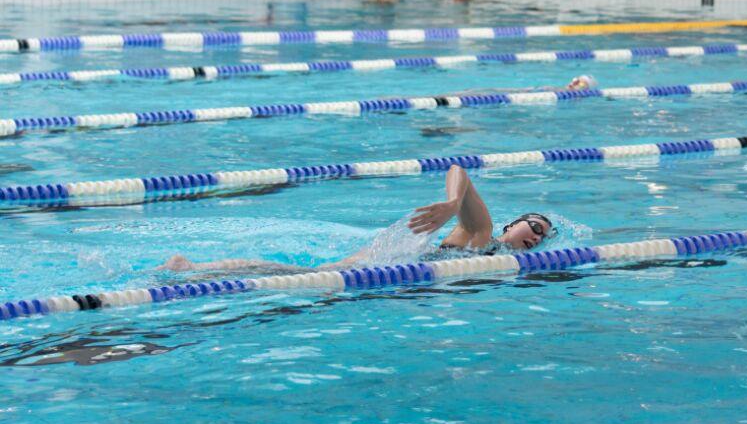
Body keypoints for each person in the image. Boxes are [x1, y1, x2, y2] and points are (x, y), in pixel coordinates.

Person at [159, 165, 554, 274]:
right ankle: (193, 268)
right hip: (392, 259)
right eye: (534, 225)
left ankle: (197, 269)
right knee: (291, 273)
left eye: (543, 237)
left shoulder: (495, 258)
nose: (537, 236)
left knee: (295, 275)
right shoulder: (481, 235)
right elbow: (458, 170)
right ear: (511, 225)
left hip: (397, 268)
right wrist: (453, 203)